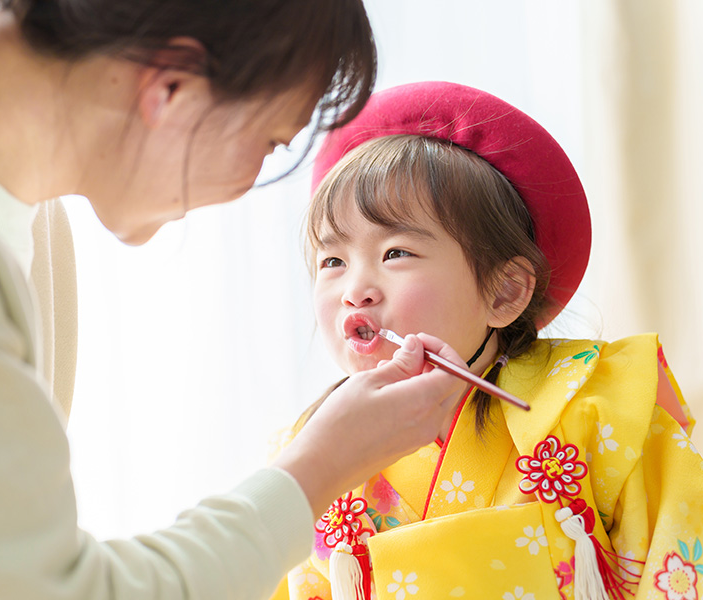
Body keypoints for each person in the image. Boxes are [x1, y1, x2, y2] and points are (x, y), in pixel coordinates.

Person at [0, 2, 474, 599]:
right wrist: (320, 466)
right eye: (269, 143)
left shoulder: (6, 217)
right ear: (173, 86)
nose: (246, 184)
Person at [274, 81, 703, 600]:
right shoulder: (317, 447)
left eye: (395, 253)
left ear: (504, 291)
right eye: (333, 262)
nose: (355, 291)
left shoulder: (602, 406)